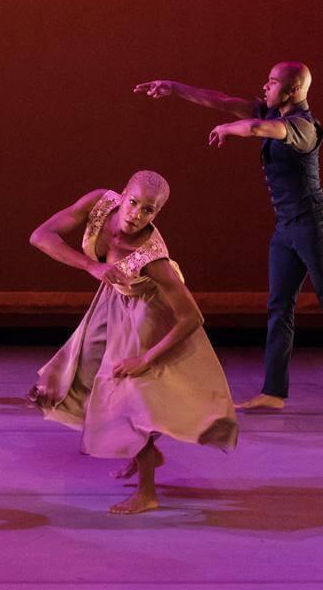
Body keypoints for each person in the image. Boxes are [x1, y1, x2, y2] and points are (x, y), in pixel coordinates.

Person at [135, 63, 323, 413]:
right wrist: (174, 86)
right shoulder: (270, 109)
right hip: (286, 228)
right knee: (279, 306)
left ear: (292, 91)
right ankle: (274, 392)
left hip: (315, 226)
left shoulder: (304, 127)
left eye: (273, 82)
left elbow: (263, 128)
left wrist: (230, 129)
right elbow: (220, 100)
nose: (265, 86)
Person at [29, 173, 238, 514]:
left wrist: (147, 358)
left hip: (151, 310)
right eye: (133, 203)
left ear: (157, 215)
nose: (136, 215)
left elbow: (191, 317)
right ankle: (148, 453)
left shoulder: (152, 259)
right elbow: (40, 236)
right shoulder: (99, 202)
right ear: (121, 195)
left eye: (148, 211)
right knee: (84, 374)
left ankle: (147, 493)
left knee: (128, 393)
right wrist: (88, 266)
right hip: (114, 295)